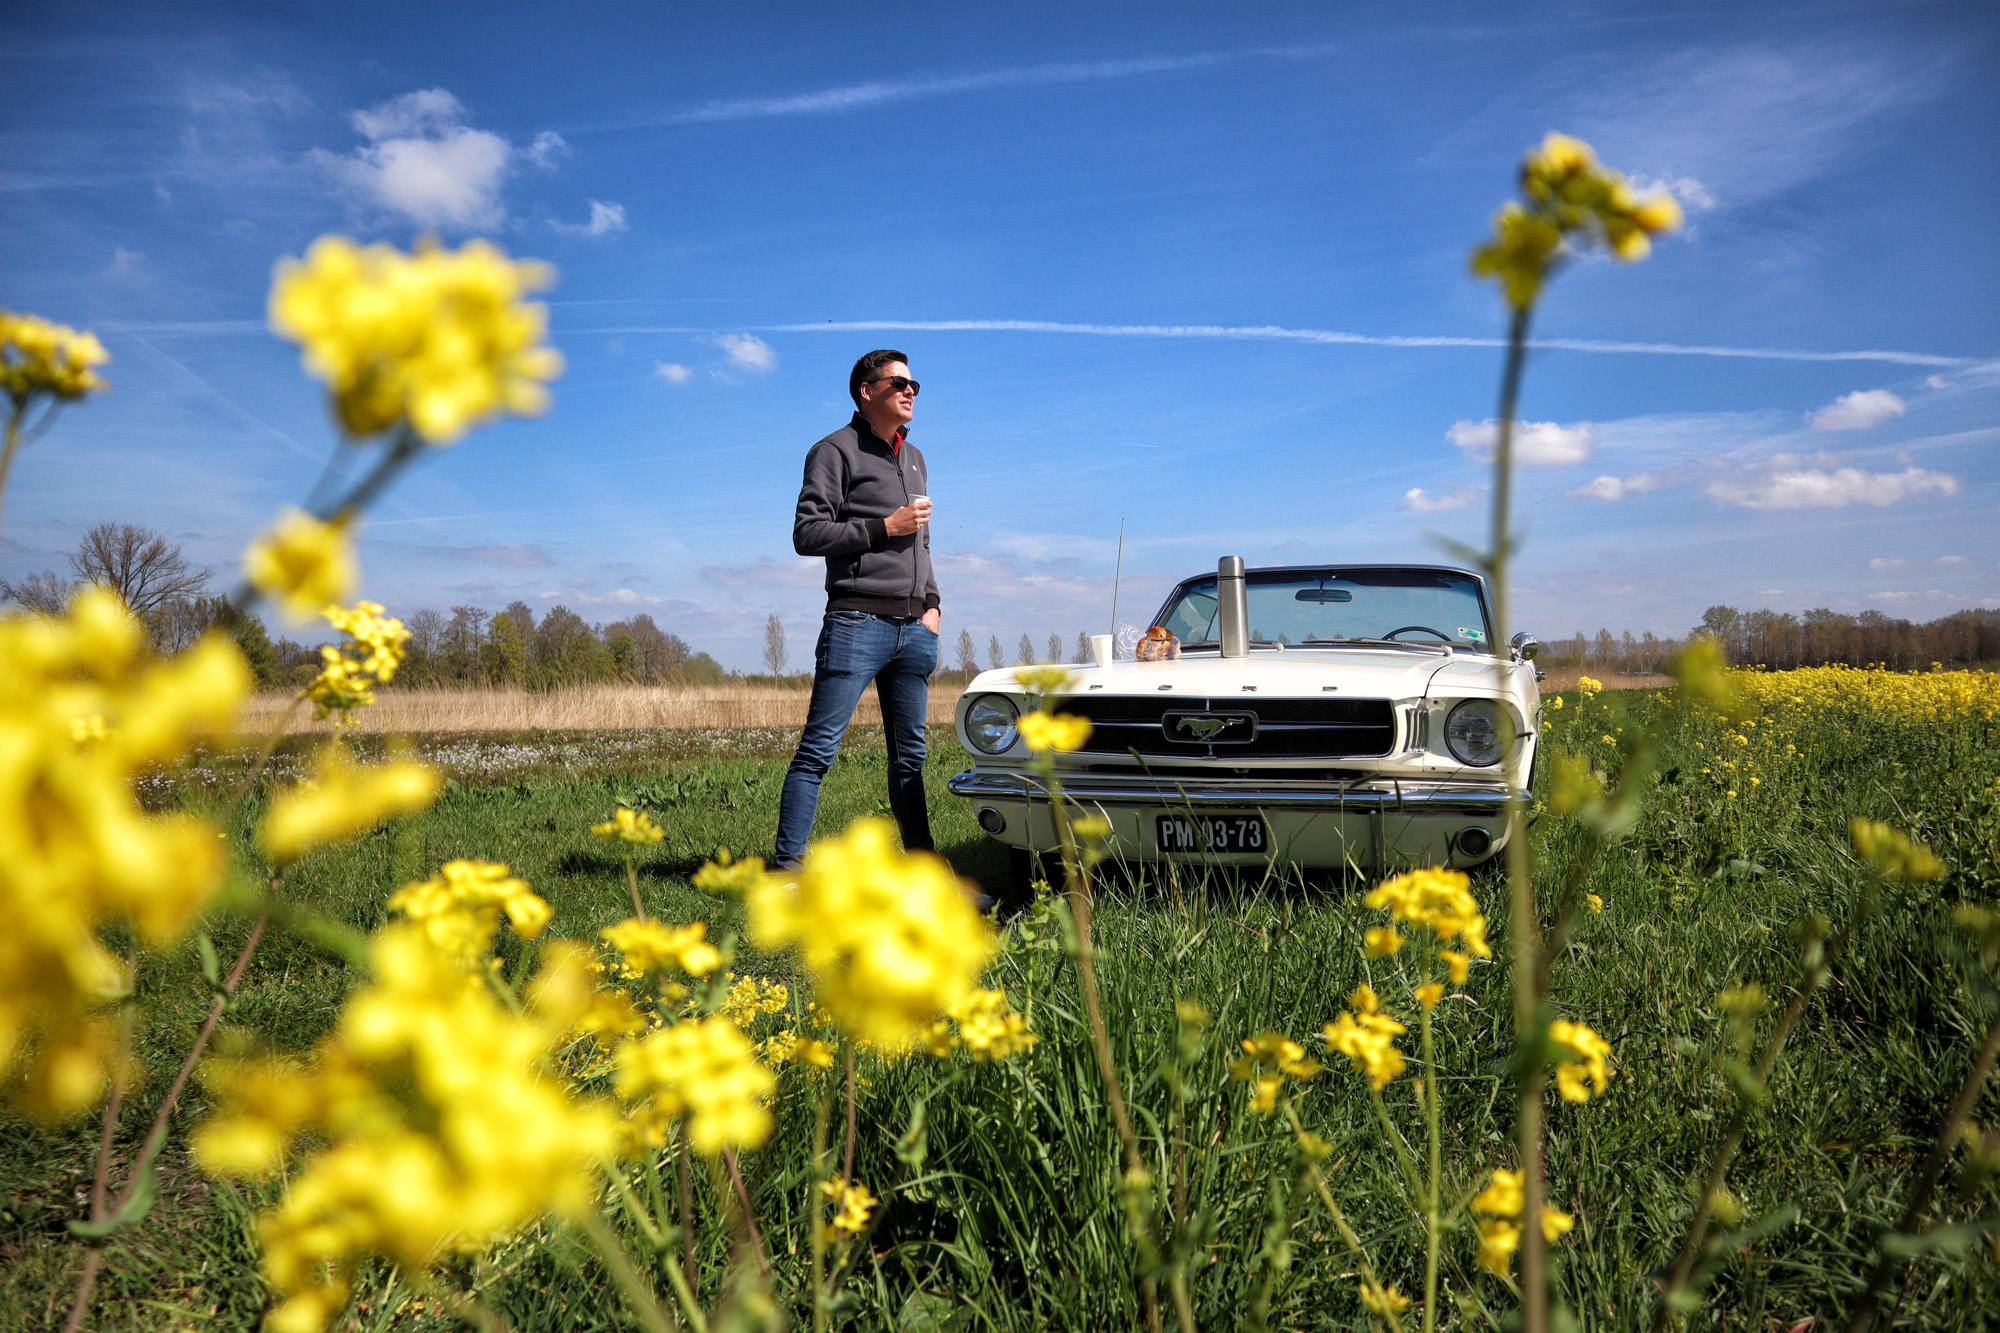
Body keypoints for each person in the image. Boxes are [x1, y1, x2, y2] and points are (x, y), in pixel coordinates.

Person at [773, 349, 939, 869]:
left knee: (910, 761)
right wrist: (881, 528)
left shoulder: (914, 457)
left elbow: (922, 543)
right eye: (899, 383)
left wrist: (932, 603)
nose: (910, 391)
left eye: (915, 384)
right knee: (818, 751)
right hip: (856, 622)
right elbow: (807, 533)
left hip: (915, 630)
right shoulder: (833, 451)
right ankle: (786, 870)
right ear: (867, 391)